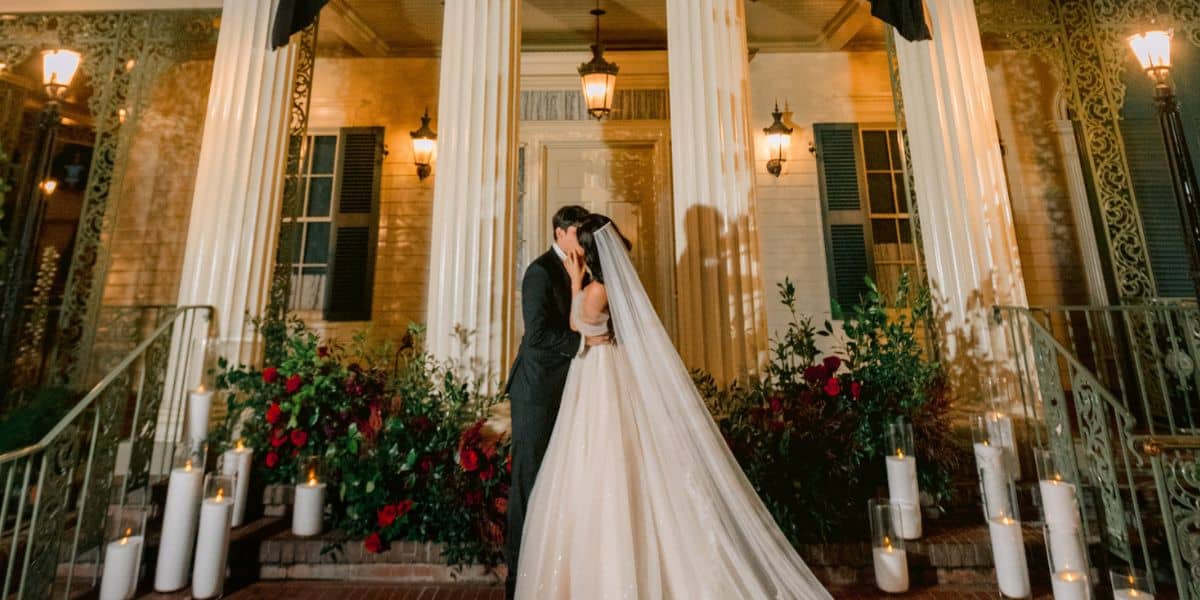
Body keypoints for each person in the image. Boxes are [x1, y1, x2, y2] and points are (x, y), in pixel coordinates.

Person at [514, 214, 831, 599]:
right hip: (601, 372)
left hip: (596, 375)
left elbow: (577, 326)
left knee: (598, 458)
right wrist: (579, 283)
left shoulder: (598, 290)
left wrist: (578, 286)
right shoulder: (607, 286)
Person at [504, 205, 610, 600]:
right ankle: (518, 578)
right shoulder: (540, 272)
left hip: (574, 390)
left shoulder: (588, 270)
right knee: (530, 484)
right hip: (536, 392)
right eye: (575, 232)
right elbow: (536, 337)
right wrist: (584, 340)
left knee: (560, 485)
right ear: (559, 233)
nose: (580, 240)